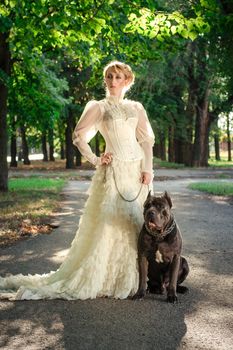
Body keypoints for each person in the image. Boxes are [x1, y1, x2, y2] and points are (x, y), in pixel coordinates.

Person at [0, 61, 155, 300]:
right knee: (110, 224)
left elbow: (146, 142)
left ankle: (142, 277)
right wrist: (96, 159)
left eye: (118, 77)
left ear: (127, 81)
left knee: (136, 221)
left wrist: (148, 170)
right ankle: (109, 278)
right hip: (113, 171)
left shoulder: (137, 107)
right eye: (109, 77)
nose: (113, 81)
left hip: (137, 172)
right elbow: (79, 136)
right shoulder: (98, 107)